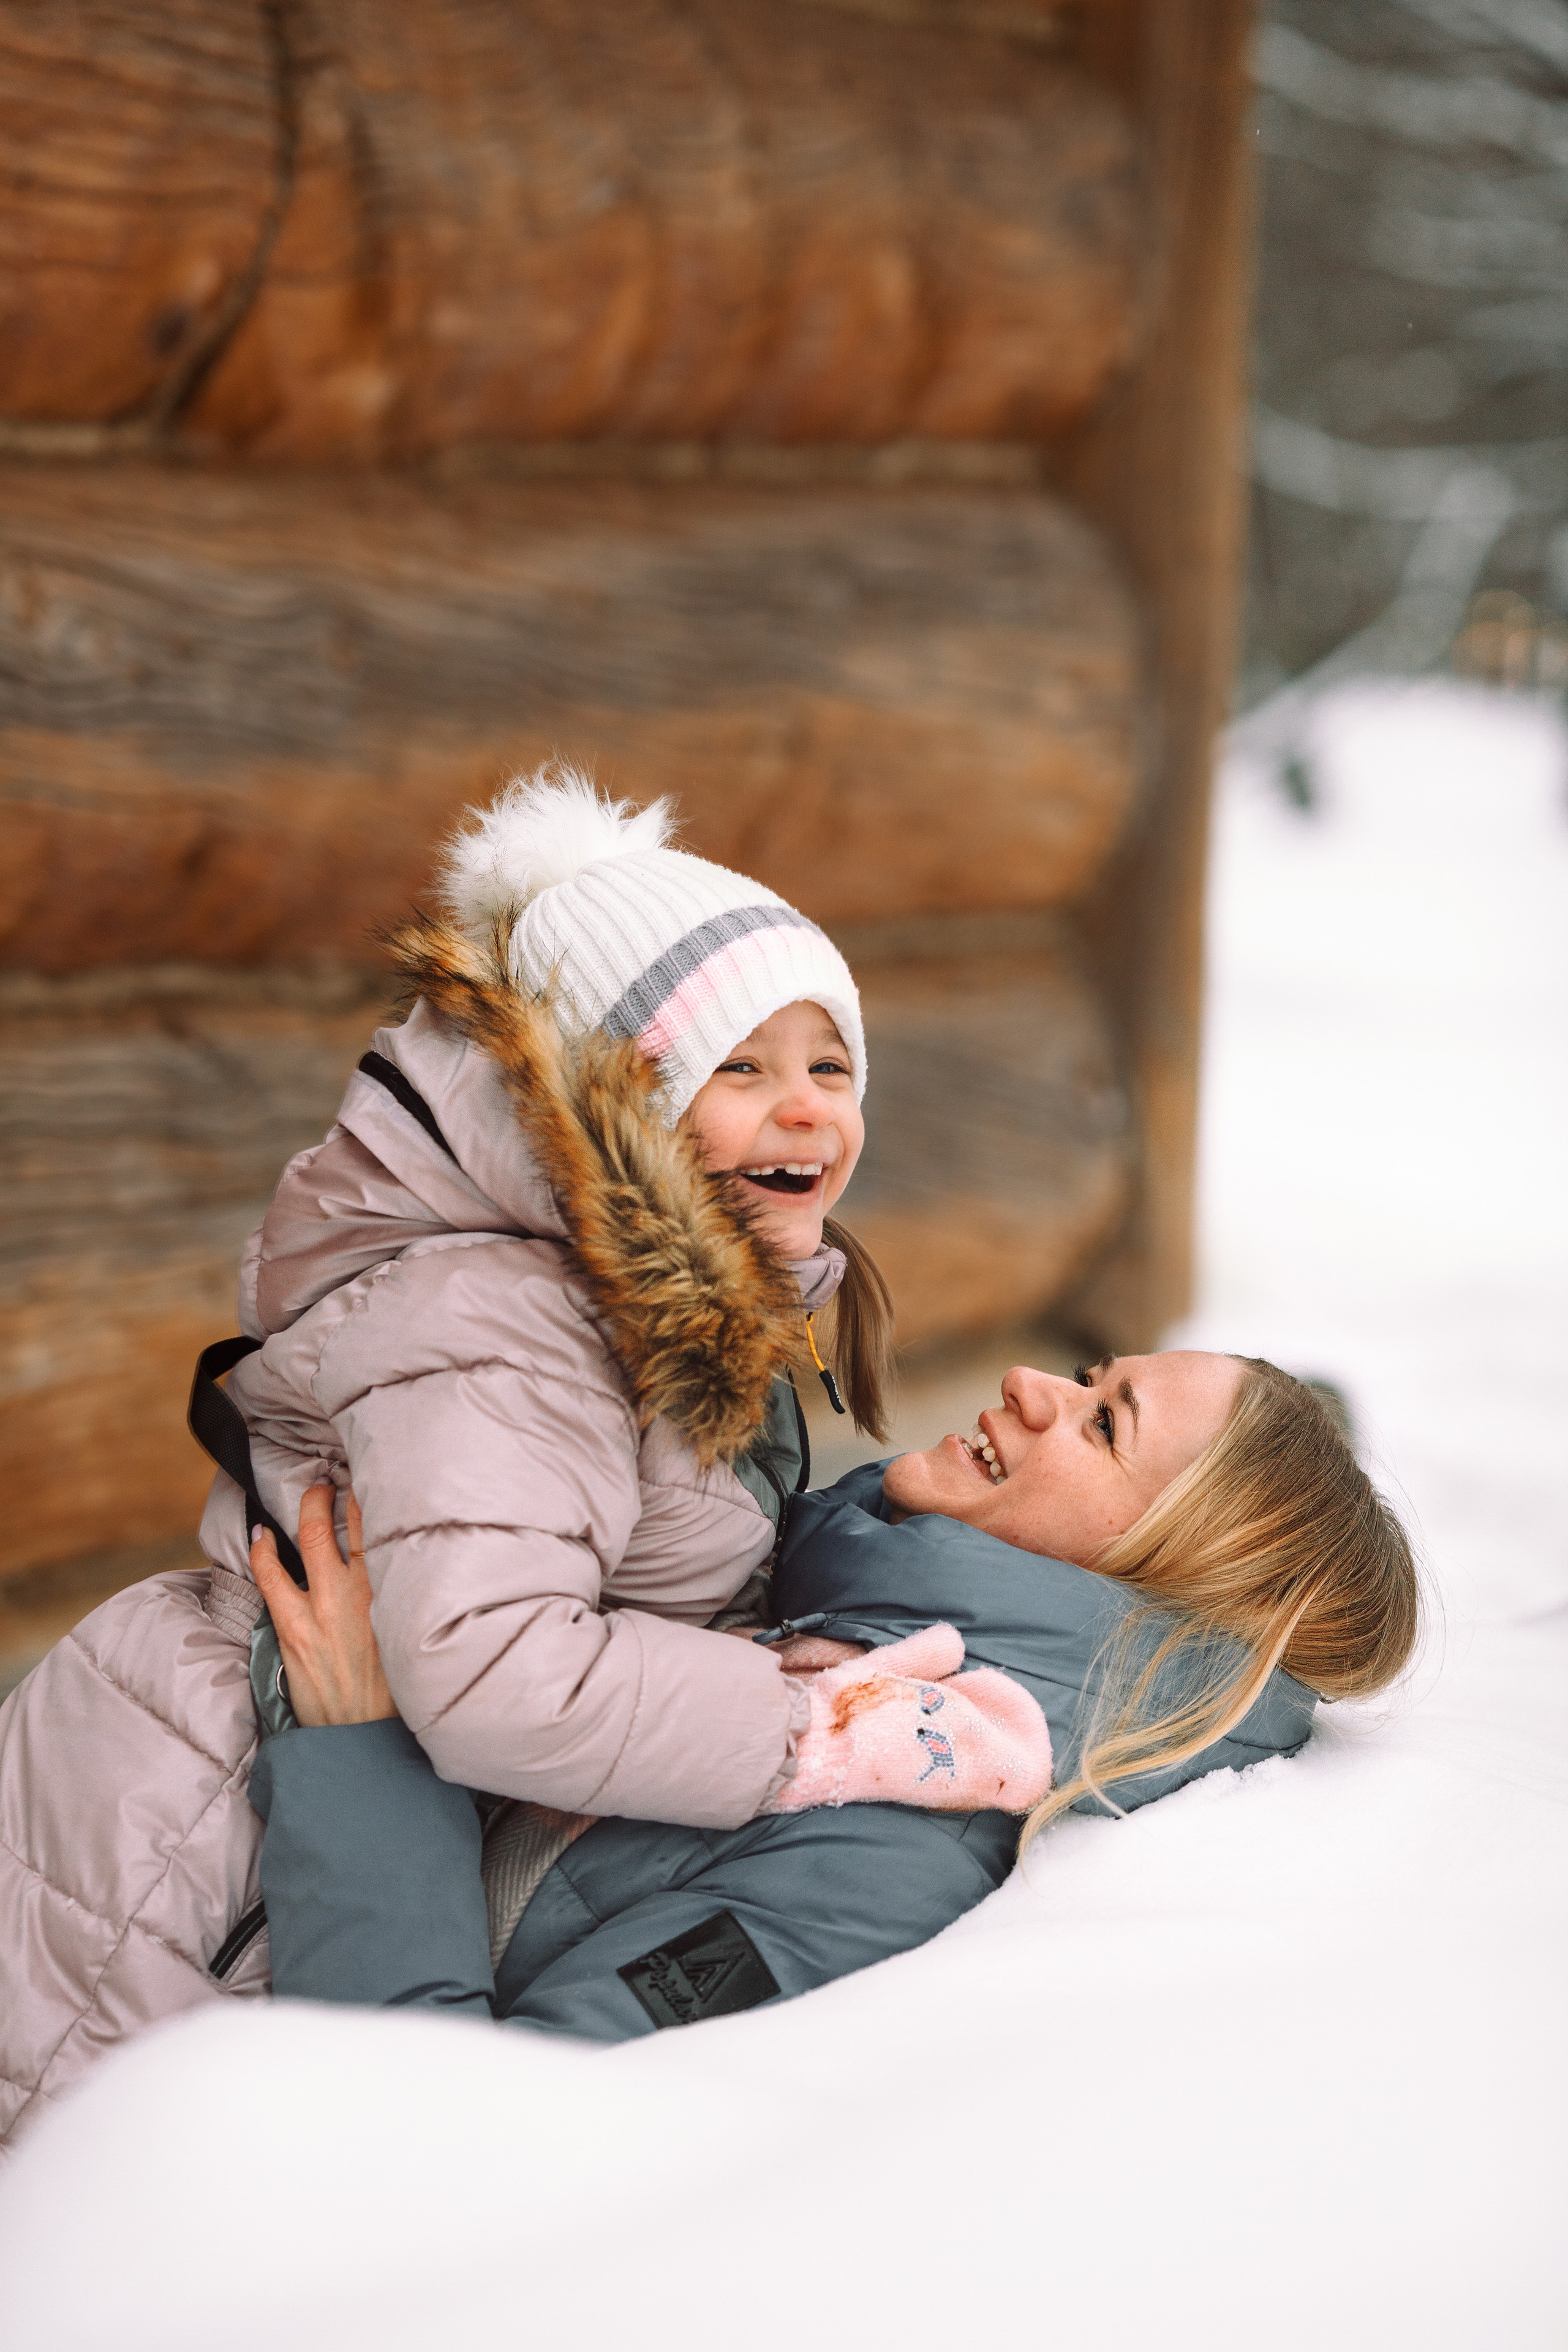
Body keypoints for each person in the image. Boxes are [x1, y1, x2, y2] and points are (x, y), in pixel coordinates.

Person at [0, 767, 930, 2144]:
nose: (803, 1110)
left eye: (826, 1066)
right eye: (738, 1067)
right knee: (69, 2175)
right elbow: (489, 1669)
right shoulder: (507, 1322)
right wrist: (795, 1727)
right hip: (194, 1826)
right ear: (605, 1106)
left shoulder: (651, 1310)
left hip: (282, 1785)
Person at [244, 1346, 1418, 2041]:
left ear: (1172, 1571)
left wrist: (363, 1749)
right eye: (1093, 1372)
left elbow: (451, 2136)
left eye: (1104, 1423)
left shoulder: (901, 1837)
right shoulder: (836, 1643)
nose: (1027, 1381)